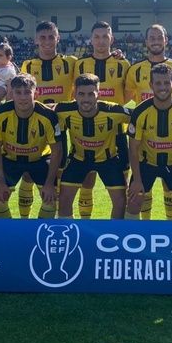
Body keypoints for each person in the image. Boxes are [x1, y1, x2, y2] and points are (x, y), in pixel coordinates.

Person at [125, 24, 172, 219]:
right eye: (151, 37)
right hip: (145, 137)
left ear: (166, 40)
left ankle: (170, 226)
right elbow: (124, 96)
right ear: (146, 42)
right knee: (141, 192)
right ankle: (143, 230)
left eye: (159, 37)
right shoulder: (135, 69)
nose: (155, 40)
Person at [18, 21, 77, 218]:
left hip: (60, 129)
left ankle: (55, 221)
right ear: (36, 40)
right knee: (27, 175)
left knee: (58, 175)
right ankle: (25, 222)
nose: (47, 41)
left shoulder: (71, 63)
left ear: (58, 38)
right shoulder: (28, 65)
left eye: (51, 37)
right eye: (42, 37)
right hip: (33, 128)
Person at [74, 21, 132, 219]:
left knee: (120, 185)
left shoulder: (123, 64)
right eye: (97, 37)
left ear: (112, 39)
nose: (100, 41)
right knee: (86, 182)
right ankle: (85, 226)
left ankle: (118, 231)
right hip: (86, 131)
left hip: (117, 133)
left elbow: (128, 95)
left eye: (105, 37)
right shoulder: (80, 64)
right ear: (91, 40)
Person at [56, 74, 131, 219]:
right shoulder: (63, 110)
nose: (86, 99)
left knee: (121, 201)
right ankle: (72, 235)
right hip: (78, 159)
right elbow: (40, 110)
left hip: (108, 161)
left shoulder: (113, 111)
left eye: (91, 94)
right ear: (74, 94)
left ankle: (114, 235)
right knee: (63, 199)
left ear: (98, 94)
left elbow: (140, 116)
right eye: (81, 94)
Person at [0, 74, 62, 218]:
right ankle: (10, 236)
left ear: (36, 93)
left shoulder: (49, 116)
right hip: (10, 160)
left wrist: (49, 184)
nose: (23, 97)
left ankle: (40, 236)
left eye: (28, 92)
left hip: (40, 160)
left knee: (51, 201)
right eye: (18, 92)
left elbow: (57, 150)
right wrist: (0, 181)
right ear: (11, 94)